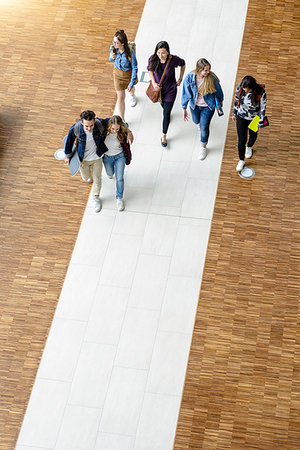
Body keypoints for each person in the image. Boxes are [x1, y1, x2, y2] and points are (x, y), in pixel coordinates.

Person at [64, 110, 133, 213]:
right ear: (82, 122)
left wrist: (128, 131)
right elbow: (69, 141)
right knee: (86, 177)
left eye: (91, 125)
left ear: (94, 121)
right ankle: (88, 177)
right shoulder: (76, 128)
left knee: (98, 178)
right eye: (87, 126)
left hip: (97, 157)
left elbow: (114, 121)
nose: (89, 128)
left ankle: (96, 197)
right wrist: (67, 155)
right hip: (83, 159)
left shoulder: (99, 123)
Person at [181, 58, 224, 160]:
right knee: (196, 121)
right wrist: (184, 108)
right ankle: (199, 124)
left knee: (204, 126)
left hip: (208, 106)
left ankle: (203, 147)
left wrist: (220, 100)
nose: (208, 72)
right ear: (199, 69)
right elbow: (185, 93)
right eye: (205, 70)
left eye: (209, 70)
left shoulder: (211, 78)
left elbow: (218, 90)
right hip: (194, 105)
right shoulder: (190, 77)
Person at [147, 41, 185, 147]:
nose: (160, 55)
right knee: (164, 107)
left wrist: (180, 78)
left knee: (166, 113)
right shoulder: (153, 58)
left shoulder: (173, 60)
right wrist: (154, 83)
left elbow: (183, 64)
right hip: (158, 91)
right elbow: (150, 70)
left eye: (163, 53)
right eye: (158, 52)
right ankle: (166, 113)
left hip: (170, 90)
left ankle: (164, 135)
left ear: (168, 52)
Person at [232, 75, 267, 171]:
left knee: (253, 135)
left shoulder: (261, 92)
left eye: (246, 88)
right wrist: (234, 113)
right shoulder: (240, 88)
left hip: (254, 118)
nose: (244, 89)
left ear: (251, 87)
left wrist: (260, 122)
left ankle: (249, 147)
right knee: (241, 141)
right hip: (241, 117)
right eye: (243, 87)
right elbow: (236, 101)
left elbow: (263, 108)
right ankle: (241, 160)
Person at [102, 115, 132, 211]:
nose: (115, 131)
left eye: (117, 129)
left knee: (119, 178)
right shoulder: (103, 129)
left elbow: (127, 130)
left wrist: (129, 132)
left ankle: (119, 198)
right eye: (113, 129)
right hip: (107, 157)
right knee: (110, 174)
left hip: (120, 156)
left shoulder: (122, 131)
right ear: (109, 126)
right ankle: (111, 172)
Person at [109, 30, 138, 122]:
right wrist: (111, 57)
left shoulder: (130, 52)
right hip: (117, 74)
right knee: (120, 97)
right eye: (113, 42)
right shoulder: (113, 48)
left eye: (116, 42)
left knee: (131, 88)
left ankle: (132, 95)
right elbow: (110, 59)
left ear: (122, 43)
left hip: (128, 74)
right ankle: (122, 119)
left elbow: (134, 67)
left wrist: (131, 83)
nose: (114, 44)